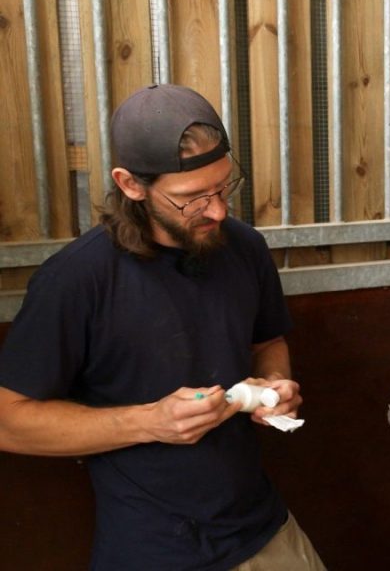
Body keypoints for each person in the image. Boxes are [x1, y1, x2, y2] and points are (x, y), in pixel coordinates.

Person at [0, 84, 326, 571]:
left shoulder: (245, 247)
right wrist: (149, 422)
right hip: (153, 546)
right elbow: (7, 420)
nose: (217, 210)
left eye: (224, 187)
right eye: (190, 199)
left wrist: (274, 385)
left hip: (260, 524)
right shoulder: (76, 279)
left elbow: (268, 340)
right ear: (131, 185)